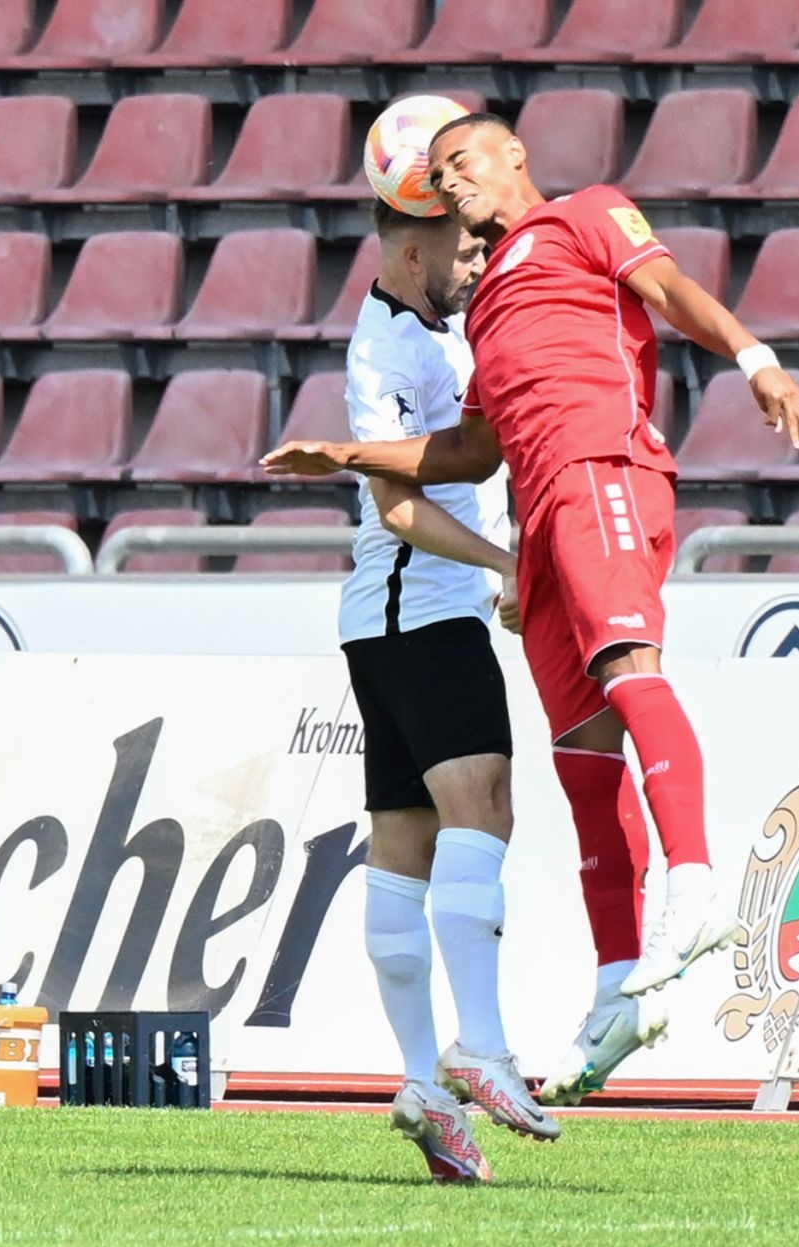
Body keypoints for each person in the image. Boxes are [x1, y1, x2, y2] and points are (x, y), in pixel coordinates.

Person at [265, 113, 799, 1105]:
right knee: (580, 751)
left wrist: (755, 358)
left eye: (463, 161)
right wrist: (348, 455)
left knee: (629, 672)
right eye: (439, 174)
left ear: (515, 154)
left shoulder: (585, 217)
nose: (452, 181)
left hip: (600, 467)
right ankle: (618, 986)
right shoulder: (481, 309)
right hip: (540, 519)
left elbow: (673, 292)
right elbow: (469, 453)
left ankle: (694, 885)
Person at [344, 198, 559, 1183]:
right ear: (412, 252)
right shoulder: (387, 350)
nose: (477, 262)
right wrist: (501, 562)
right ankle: (483, 1045)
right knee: (486, 806)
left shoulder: (434, 329)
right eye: (466, 249)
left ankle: (425, 1083)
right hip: (421, 611)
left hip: (387, 621)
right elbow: (397, 507)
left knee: (405, 844)